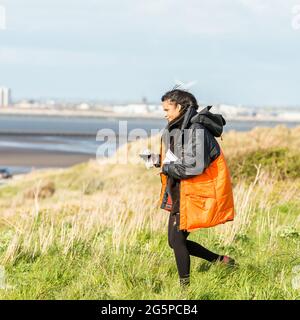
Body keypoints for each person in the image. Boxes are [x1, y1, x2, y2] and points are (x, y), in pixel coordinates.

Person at [158, 88, 236, 288]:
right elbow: (181, 159)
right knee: (174, 241)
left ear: (181, 107)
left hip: (193, 193)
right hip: (181, 192)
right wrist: (159, 161)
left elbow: (192, 167)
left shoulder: (197, 130)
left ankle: (185, 289)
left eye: (167, 109)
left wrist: (166, 166)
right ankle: (222, 261)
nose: (164, 113)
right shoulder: (181, 127)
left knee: (177, 241)